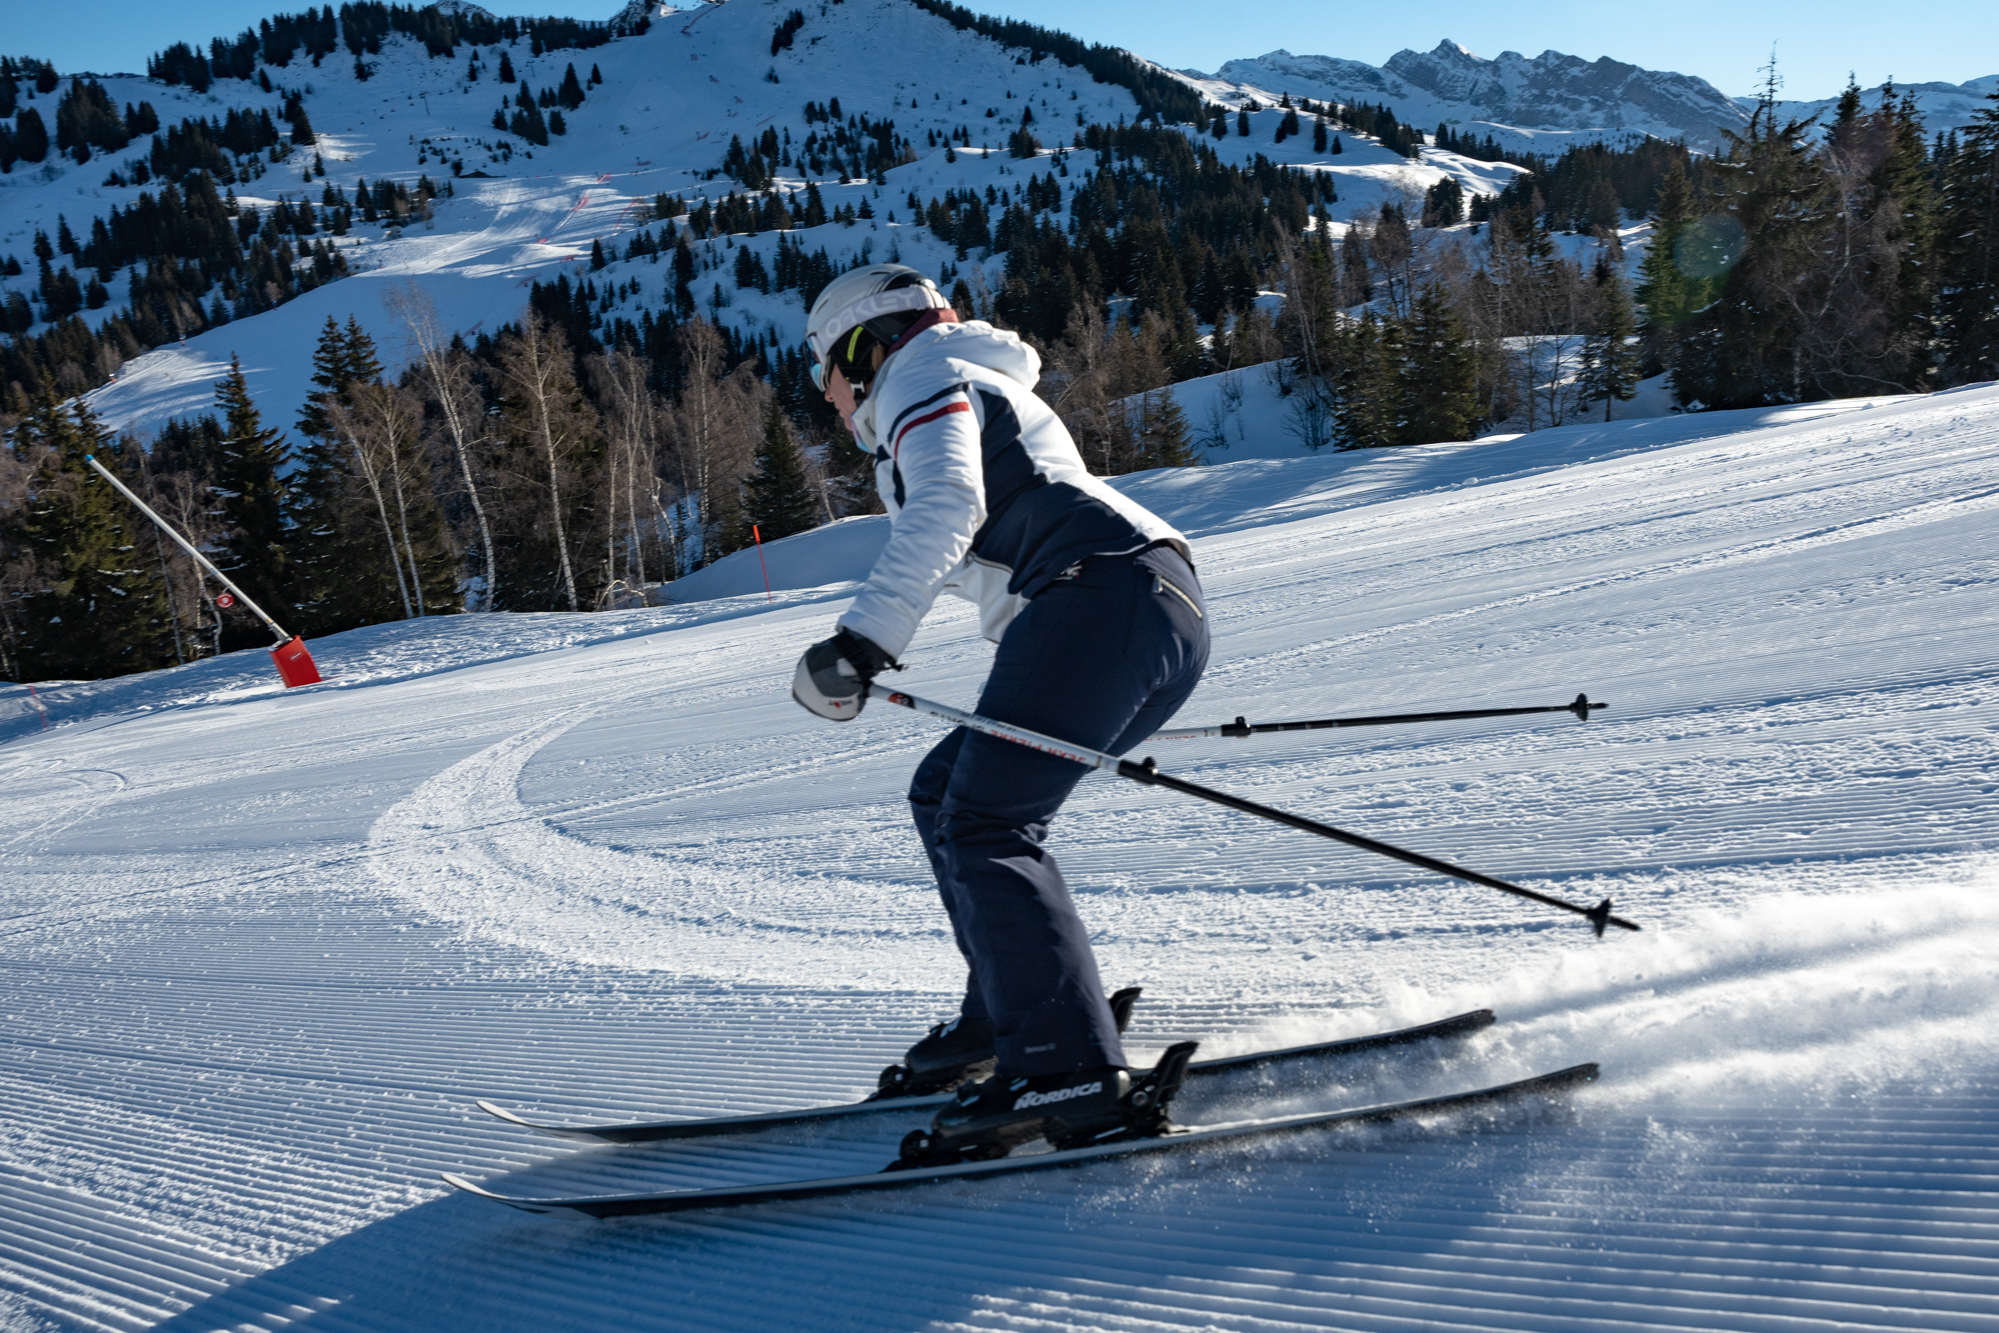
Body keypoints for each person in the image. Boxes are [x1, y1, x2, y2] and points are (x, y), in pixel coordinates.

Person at [791, 264, 1209, 1159]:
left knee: (982, 818)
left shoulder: (921, 375)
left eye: (819, 367)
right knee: (948, 793)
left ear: (860, 349)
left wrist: (860, 642)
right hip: (1141, 602)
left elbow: (948, 503)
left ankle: (1063, 1064)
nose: (821, 394)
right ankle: (1006, 1020)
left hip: (1101, 596)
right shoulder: (961, 376)